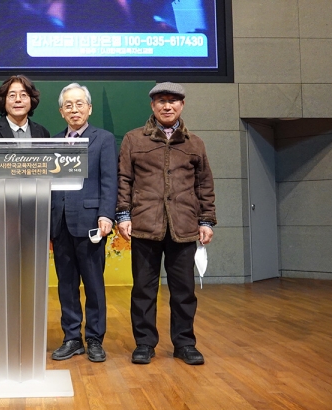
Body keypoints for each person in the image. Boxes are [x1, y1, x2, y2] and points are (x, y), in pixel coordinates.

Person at [116, 82, 216, 366]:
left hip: (183, 227)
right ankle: (145, 343)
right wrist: (123, 215)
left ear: (182, 105)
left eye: (173, 101)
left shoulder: (194, 143)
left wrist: (206, 219)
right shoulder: (134, 139)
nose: (167, 106)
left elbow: (205, 184)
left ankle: (184, 344)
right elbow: (124, 179)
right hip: (145, 225)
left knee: (184, 291)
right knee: (144, 290)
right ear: (152, 105)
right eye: (161, 101)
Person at [0, 75, 51, 364]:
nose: (18, 99)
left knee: (32, 280)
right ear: (3, 101)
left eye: (24, 95)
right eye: (12, 95)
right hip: (1, 218)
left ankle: (29, 339)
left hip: (35, 219)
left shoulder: (42, 133)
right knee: (3, 281)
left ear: (32, 100)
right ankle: (2, 341)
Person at [50, 83, 118, 362]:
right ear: (61, 111)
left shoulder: (103, 139)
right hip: (59, 224)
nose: (74, 109)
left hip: (91, 222)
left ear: (89, 108)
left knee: (93, 284)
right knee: (66, 285)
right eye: (68, 105)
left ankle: (94, 338)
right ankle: (71, 338)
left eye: (79, 104)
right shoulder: (53, 142)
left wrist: (106, 214)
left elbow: (108, 181)